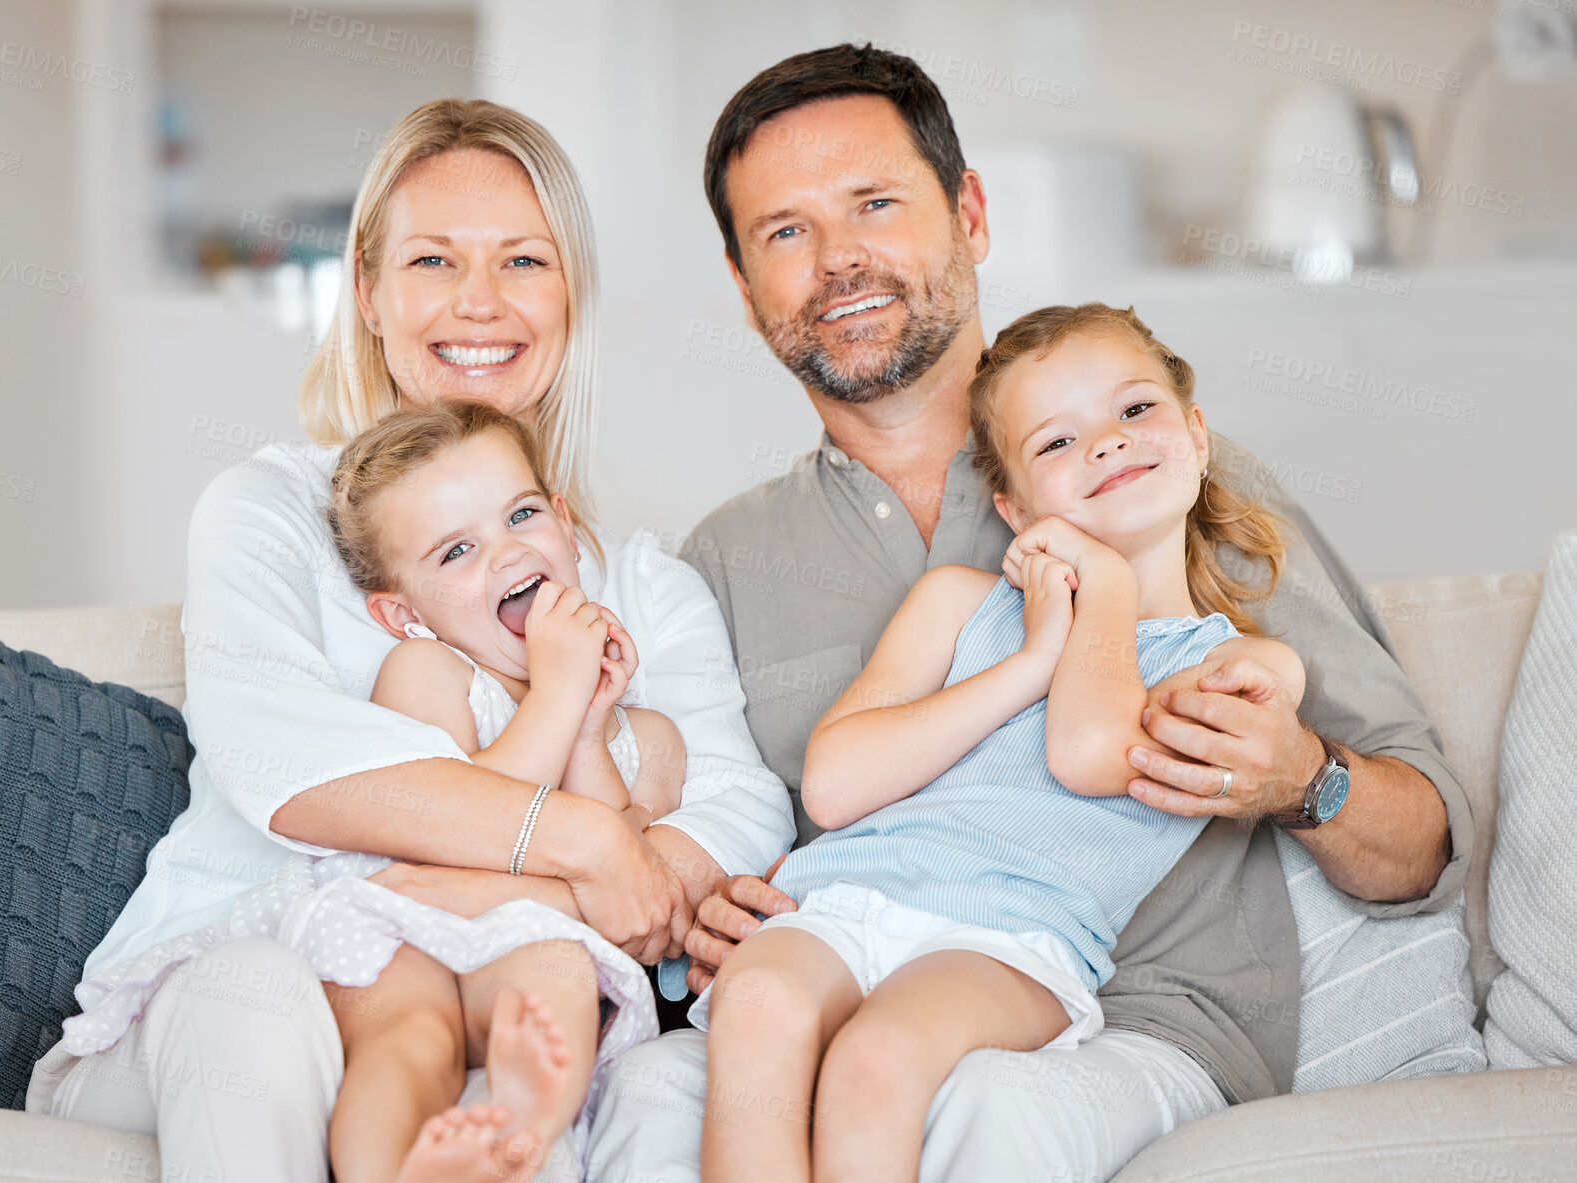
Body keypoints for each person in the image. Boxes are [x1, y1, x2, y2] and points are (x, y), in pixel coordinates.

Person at [588, 44, 1471, 1183]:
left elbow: (1424, 844)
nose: (837, 257)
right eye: (785, 231)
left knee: (976, 1109)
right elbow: (730, 822)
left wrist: (1303, 776)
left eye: (873, 202)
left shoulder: (1163, 490)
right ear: (743, 284)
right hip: (845, 956)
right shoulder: (720, 559)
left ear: (968, 213)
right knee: (655, 1095)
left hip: (1144, 1011)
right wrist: (704, 911)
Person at [26, 99, 792, 1183]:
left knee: (627, 1066)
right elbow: (286, 769)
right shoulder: (269, 511)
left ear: (570, 297)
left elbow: (737, 803)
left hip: (497, 985)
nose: (480, 302)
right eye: (434, 260)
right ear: (370, 297)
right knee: (261, 999)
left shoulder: (639, 585)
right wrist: (593, 848)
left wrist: (519, 895)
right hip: (242, 984)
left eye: (524, 259)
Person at [698, 303, 1302, 1181]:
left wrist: (1100, 585)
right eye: (1057, 442)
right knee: (755, 1000)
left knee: (878, 1057)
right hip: (843, 897)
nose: (1105, 442)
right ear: (1014, 508)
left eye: (1135, 410)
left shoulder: (1245, 664)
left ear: (1197, 437)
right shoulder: (956, 601)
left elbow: (1092, 754)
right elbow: (833, 787)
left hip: (1011, 940)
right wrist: (1028, 662)